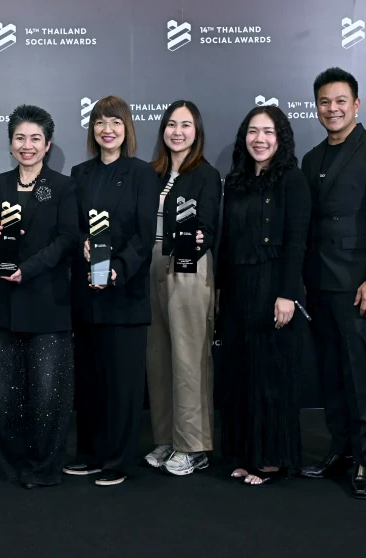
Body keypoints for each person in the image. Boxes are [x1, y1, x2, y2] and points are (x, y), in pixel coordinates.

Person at [299, 67, 366, 499]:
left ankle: (365, 459)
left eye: (341, 100)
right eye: (324, 102)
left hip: (359, 285)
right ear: (316, 107)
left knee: (359, 375)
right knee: (330, 373)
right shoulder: (311, 158)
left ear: (356, 104)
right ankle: (340, 449)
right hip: (319, 283)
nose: (333, 108)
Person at [0, 104, 81, 489]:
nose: (27, 145)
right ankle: (11, 464)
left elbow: (68, 239)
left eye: (35, 138)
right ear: (10, 143)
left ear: (47, 145)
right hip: (1, 301)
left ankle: (43, 467)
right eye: (20, 138)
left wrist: (30, 267)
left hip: (46, 300)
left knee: (47, 394)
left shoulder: (63, 186)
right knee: (3, 393)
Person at [64, 95, 157, 486]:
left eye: (115, 122)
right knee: (90, 382)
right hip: (87, 294)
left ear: (127, 128)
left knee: (122, 385)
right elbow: (71, 226)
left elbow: (144, 235)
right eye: (100, 121)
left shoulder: (141, 174)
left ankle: (118, 461)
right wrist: (81, 243)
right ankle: (89, 454)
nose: (107, 129)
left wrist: (118, 268)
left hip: (125, 295)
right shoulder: (80, 173)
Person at [217, 106, 311, 485]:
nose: (260, 139)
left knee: (270, 375)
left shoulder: (293, 180)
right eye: (253, 132)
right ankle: (247, 454)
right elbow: (226, 241)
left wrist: (288, 294)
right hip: (237, 288)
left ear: (280, 138)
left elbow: (297, 242)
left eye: (268, 132)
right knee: (241, 374)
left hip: (274, 286)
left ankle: (271, 460)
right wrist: (220, 290)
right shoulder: (235, 181)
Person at [143, 101, 221, 475]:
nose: (178, 132)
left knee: (189, 358)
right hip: (150, 264)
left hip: (188, 266)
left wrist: (197, 239)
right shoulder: (152, 173)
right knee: (158, 356)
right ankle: (166, 438)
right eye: (172, 124)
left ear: (197, 131)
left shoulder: (206, 174)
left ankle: (192, 446)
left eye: (186, 125)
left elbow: (209, 227)